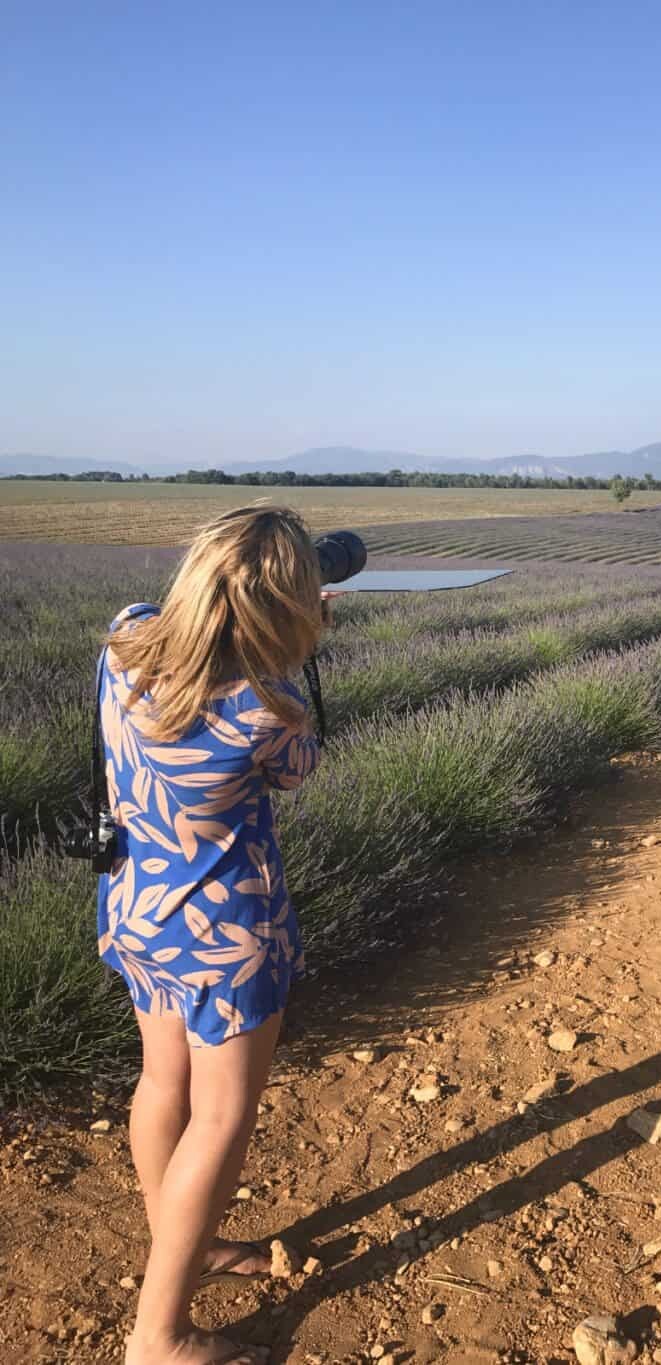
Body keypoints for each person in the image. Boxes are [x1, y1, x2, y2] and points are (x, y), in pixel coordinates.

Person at [97, 505, 327, 1365]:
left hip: (138, 907)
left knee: (164, 1086)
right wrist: (298, 650)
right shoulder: (271, 709)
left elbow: (181, 650)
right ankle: (160, 1334)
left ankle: (183, 1247)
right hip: (227, 934)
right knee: (223, 1113)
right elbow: (297, 774)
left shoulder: (125, 642)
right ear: (286, 609)